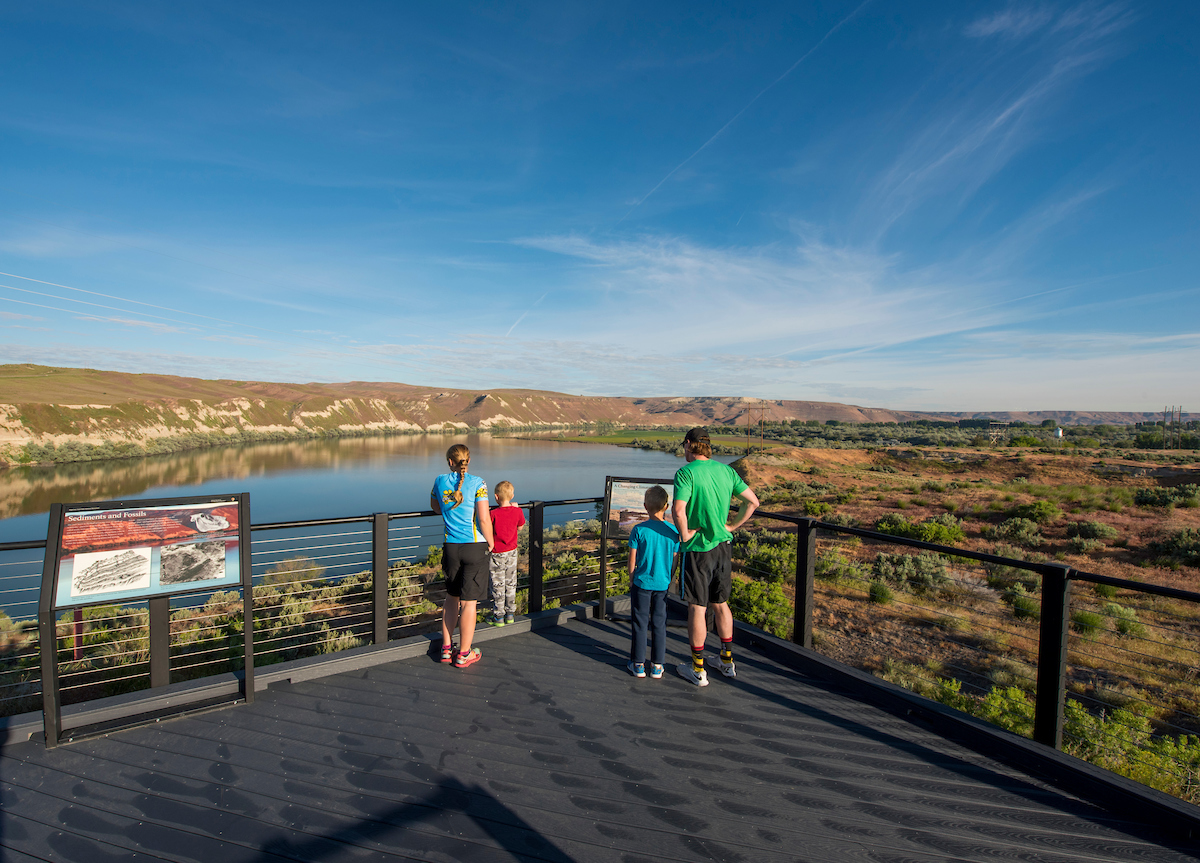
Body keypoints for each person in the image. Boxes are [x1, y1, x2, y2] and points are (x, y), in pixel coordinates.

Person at [672, 427, 759, 686]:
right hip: (722, 547)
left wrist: (685, 535)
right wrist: (731, 527)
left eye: (684, 445)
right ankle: (726, 662)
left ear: (689, 444)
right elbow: (752, 502)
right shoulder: (726, 471)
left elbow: (678, 511)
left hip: (698, 550)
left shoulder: (685, 473)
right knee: (721, 604)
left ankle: (698, 670)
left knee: (697, 607)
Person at [430, 444, 494, 668]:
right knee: (469, 603)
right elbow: (484, 518)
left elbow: (435, 507)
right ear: (468, 461)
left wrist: (451, 505)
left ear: (450, 462)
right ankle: (464, 653)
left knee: (451, 598)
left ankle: (446, 649)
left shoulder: (439, 481)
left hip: (451, 547)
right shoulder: (479, 483)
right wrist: (492, 541)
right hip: (474, 546)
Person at [626, 485, 679, 680]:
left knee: (639, 623)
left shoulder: (638, 530)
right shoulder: (673, 532)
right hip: (662, 584)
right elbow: (674, 561)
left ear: (644, 506)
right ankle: (657, 665)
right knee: (659, 623)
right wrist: (668, 579)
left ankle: (638, 664)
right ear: (666, 506)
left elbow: (632, 560)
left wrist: (632, 580)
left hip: (641, 583)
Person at [488, 480, 525, 626]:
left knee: (497, 584)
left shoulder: (494, 513)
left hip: (497, 553)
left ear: (496, 497)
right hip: (512, 552)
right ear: (512, 495)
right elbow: (520, 526)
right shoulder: (517, 511)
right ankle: (510, 613)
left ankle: (498, 616)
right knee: (511, 582)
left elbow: (486, 527)